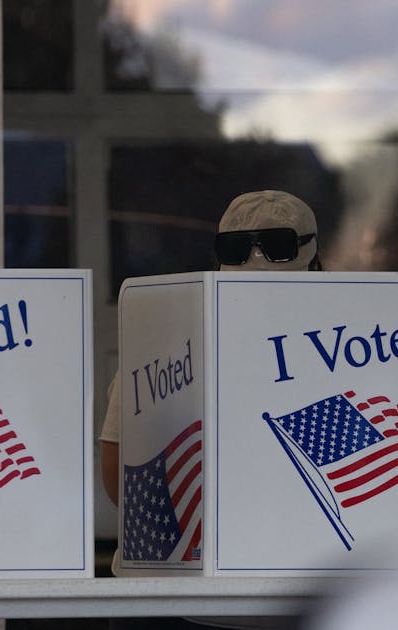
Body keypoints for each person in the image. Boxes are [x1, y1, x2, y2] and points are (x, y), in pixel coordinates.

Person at [99, 190, 318, 630]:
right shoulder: (347, 354)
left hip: (167, 598)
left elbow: (118, 485)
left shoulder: (159, 347)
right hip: (238, 600)